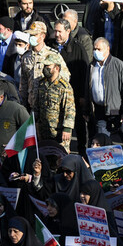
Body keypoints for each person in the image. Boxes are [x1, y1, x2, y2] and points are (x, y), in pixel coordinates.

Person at [89, 37, 123, 165]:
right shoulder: (92, 66)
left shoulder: (119, 65)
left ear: (107, 49)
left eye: (99, 49)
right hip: (100, 113)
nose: (96, 51)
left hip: (119, 113)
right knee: (103, 147)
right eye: (94, 49)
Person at [50, 18, 90, 154]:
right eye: (55, 31)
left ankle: (82, 152)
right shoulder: (50, 47)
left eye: (60, 31)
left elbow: (85, 73)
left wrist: (83, 96)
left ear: (68, 31)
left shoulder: (78, 48)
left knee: (78, 124)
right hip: (54, 95)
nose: (57, 35)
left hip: (74, 95)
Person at [20, 21, 71, 112]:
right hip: (32, 106)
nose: (31, 38)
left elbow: (65, 78)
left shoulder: (53, 55)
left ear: (43, 36)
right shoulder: (26, 57)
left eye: (34, 35)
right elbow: (23, 83)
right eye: (30, 35)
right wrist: (23, 104)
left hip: (49, 107)